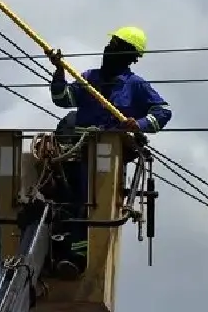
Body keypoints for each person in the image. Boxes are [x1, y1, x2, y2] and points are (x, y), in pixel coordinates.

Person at [43, 26, 171, 279]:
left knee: (87, 201)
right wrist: (58, 72)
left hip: (105, 158)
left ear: (130, 56)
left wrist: (140, 124)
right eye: (110, 44)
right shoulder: (90, 78)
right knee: (60, 196)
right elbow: (63, 99)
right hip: (73, 152)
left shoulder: (134, 85)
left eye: (117, 47)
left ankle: (78, 252)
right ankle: (58, 246)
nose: (109, 51)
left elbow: (163, 112)